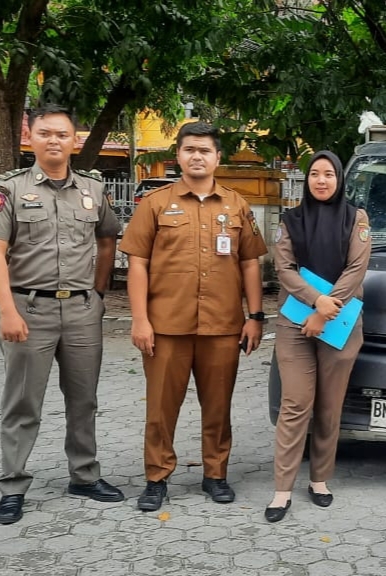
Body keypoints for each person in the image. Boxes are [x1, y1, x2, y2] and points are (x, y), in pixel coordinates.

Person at [0, 104, 125, 525]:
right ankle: (13, 485)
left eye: (62, 134)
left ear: (75, 140)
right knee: (23, 403)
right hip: (29, 308)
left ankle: (84, 475)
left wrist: (97, 294)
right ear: (32, 137)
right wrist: (6, 310)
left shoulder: (93, 190)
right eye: (45, 133)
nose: (54, 141)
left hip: (81, 311)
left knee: (84, 400)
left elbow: (106, 240)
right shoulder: (9, 189)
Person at [118, 122, 268, 511]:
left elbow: (250, 263)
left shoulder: (237, 206)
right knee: (160, 408)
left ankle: (215, 474)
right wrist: (140, 320)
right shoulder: (155, 203)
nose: (197, 156)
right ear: (178, 156)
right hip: (166, 326)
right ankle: (156, 477)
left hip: (222, 326)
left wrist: (255, 316)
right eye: (189, 150)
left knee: (218, 405)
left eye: (205, 150)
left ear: (218, 157)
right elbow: (138, 265)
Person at [264, 150, 371, 522]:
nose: (321, 180)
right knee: (295, 404)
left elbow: (357, 268)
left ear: (340, 179)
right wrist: (316, 303)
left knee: (329, 406)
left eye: (328, 174)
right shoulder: (290, 221)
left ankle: (320, 479)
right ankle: (282, 489)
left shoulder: (356, 218)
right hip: (295, 322)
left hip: (339, 323)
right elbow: (284, 268)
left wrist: (326, 311)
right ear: (306, 180)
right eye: (314, 174)